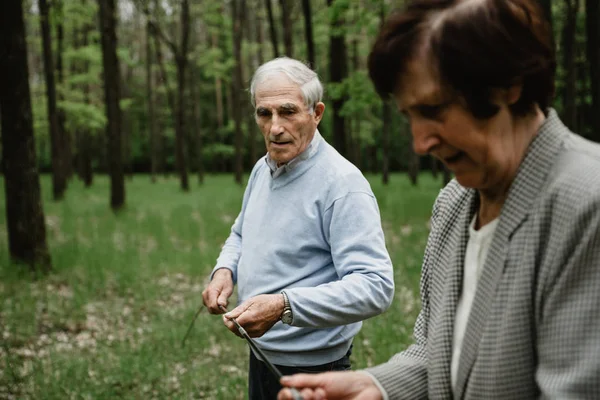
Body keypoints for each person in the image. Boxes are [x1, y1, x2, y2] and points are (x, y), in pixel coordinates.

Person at [278, 0, 600, 399]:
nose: (420, 142)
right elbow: (438, 353)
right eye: (410, 116)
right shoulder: (454, 203)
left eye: (433, 109)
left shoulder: (588, 203)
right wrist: (378, 386)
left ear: (508, 85)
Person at [201, 57, 395, 400]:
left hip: (317, 370)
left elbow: (375, 286)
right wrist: (224, 270)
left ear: (316, 113)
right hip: (260, 354)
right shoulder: (263, 169)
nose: (275, 127)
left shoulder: (342, 183)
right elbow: (240, 233)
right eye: (264, 113)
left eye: (288, 111)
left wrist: (283, 306)